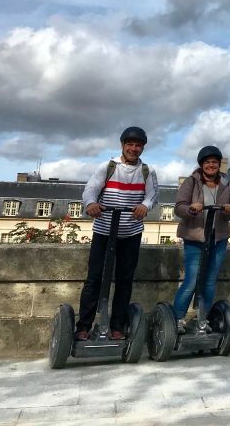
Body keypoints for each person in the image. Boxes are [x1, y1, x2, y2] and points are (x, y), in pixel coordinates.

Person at [75, 126, 159, 340]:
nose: (133, 148)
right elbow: (90, 189)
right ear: (122, 145)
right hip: (104, 230)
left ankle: (117, 326)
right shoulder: (108, 166)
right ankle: (84, 325)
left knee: (124, 280)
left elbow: (152, 196)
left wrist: (145, 206)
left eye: (137, 145)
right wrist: (91, 203)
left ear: (143, 148)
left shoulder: (147, 171)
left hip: (130, 232)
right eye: (129, 144)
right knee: (94, 278)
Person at [172, 145, 230, 333]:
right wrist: (191, 209)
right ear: (202, 165)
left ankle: (203, 318)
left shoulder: (226, 184)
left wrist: (229, 210)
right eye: (207, 162)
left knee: (209, 280)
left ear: (219, 165)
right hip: (195, 237)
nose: (211, 165)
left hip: (218, 239)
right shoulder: (191, 182)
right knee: (192, 280)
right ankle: (177, 318)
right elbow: (179, 207)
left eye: (214, 162)